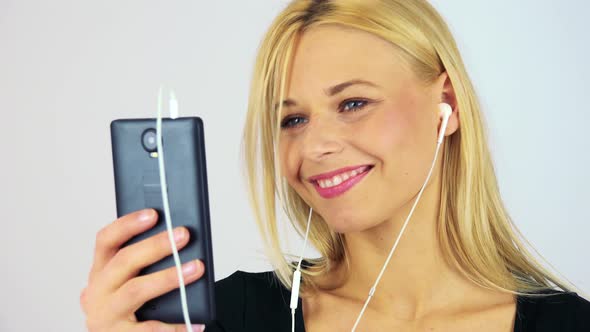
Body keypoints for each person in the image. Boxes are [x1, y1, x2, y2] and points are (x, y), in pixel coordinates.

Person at [80, 0, 590, 331]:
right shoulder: (227, 317)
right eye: (293, 119)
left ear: (447, 105)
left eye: (352, 104)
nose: (316, 146)